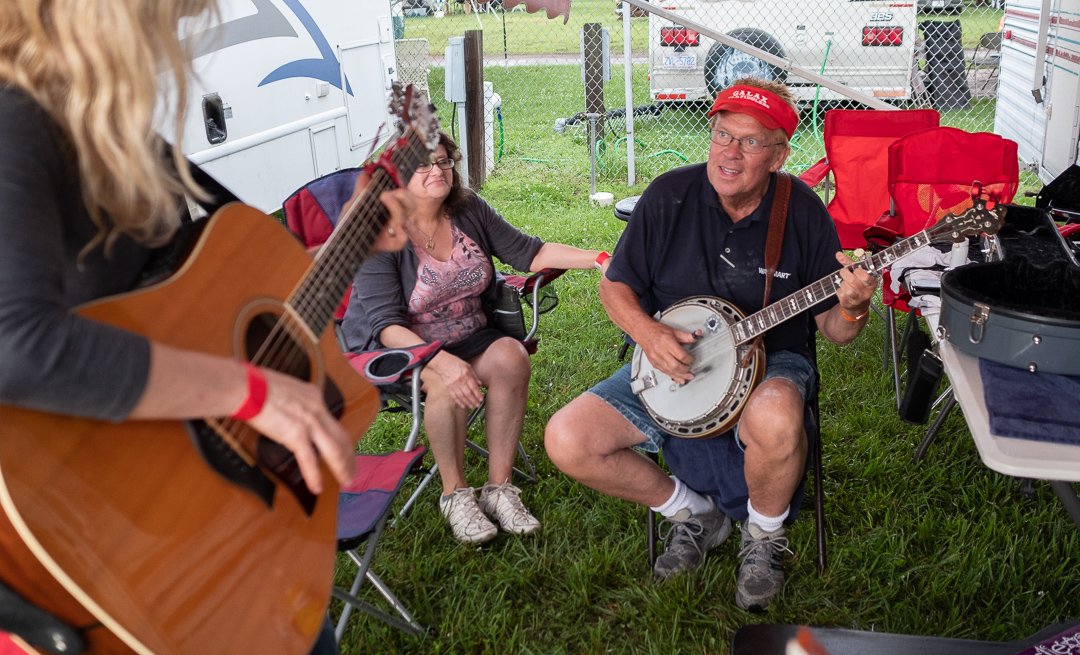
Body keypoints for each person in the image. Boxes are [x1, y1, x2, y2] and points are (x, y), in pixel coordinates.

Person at [0, 2, 410, 653]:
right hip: (116, 533)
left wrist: (349, 243)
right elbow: (14, 346)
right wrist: (250, 393)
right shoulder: (16, 117)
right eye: (166, 17)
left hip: (209, 501)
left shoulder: (99, 122)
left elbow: (196, 302)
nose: (174, 39)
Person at [544, 78, 878, 611]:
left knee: (773, 416)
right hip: (674, 360)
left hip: (773, 358)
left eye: (749, 142)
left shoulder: (803, 211)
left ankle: (764, 537)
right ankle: (693, 511)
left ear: (778, 155)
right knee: (568, 438)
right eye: (722, 135)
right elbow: (615, 285)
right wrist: (647, 332)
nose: (730, 153)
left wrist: (856, 303)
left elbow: (837, 333)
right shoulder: (668, 195)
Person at [340, 130, 611, 545]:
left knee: (510, 357)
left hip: (468, 335)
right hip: (400, 350)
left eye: (445, 161)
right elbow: (384, 324)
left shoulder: (468, 210)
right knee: (445, 383)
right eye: (424, 164)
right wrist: (438, 360)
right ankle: (456, 494)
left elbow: (530, 252)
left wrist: (597, 258)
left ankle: (499, 488)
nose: (438, 170)